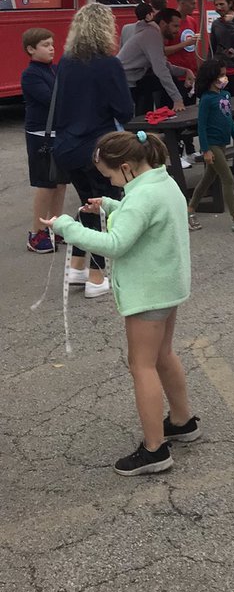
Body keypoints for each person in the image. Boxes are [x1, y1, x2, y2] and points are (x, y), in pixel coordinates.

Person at [42, 130, 198, 475]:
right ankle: (183, 421)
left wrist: (67, 226)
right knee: (163, 355)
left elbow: (115, 243)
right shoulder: (162, 181)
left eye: (110, 177)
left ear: (126, 167)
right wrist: (112, 204)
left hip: (148, 293)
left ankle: (155, 450)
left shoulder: (141, 199)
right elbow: (141, 216)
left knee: (140, 365)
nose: (110, 182)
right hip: (168, 285)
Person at [53, 3, 134, 296]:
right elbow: (124, 109)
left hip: (66, 146)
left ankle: (77, 268)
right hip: (99, 148)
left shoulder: (66, 61)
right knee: (104, 210)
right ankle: (97, 279)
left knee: (88, 206)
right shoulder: (108, 63)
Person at [187, 56, 234, 232]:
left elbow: (228, 119)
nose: (224, 78)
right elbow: (201, 126)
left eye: (225, 75)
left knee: (208, 178)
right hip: (212, 145)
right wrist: (205, 150)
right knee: (226, 178)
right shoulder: (206, 100)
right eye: (221, 76)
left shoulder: (225, 95)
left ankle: (189, 210)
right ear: (211, 78)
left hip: (222, 143)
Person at [21, 27, 69, 254]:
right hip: (40, 135)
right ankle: (36, 232)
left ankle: (55, 225)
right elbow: (52, 100)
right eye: (45, 45)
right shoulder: (31, 75)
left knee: (60, 183)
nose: (51, 48)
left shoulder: (55, 69)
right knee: (45, 184)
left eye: (52, 44)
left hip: (58, 133)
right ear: (31, 49)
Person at [118, 8, 188, 115]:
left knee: (154, 84)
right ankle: (168, 116)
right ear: (164, 23)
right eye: (175, 26)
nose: (178, 30)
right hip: (124, 81)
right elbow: (161, 70)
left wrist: (186, 71)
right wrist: (177, 100)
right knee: (164, 80)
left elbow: (163, 65)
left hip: (131, 79)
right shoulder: (152, 35)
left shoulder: (152, 33)